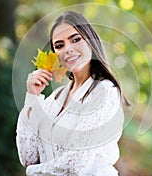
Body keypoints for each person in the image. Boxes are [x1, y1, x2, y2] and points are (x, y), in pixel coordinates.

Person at [16, 11, 130, 176]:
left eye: (75, 39)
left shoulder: (104, 93)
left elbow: (75, 164)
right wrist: (32, 97)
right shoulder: (54, 99)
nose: (68, 49)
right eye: (59, 45)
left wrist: (33, 172)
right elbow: (28, 157)